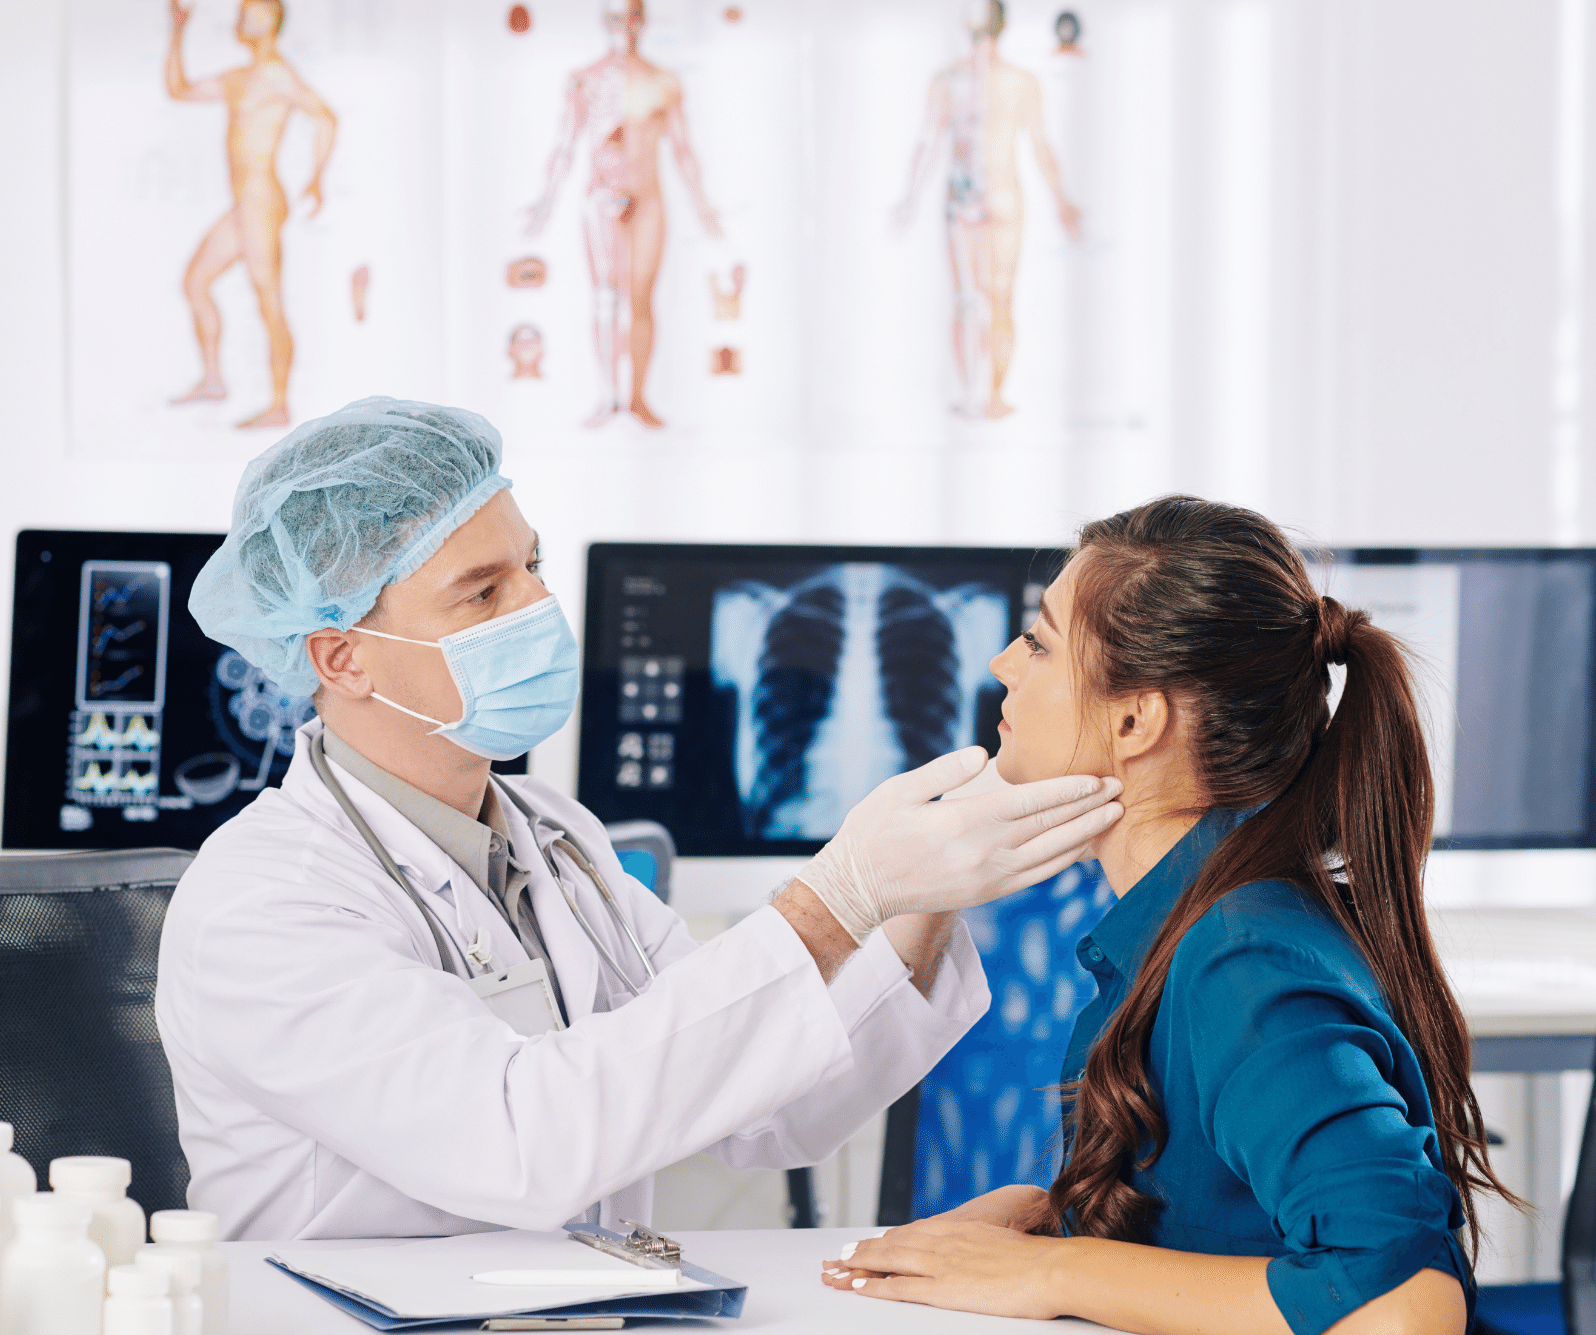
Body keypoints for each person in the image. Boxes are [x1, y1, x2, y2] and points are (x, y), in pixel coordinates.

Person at [155, 396, 1123, 1240]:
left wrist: (924, 889)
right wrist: (836, 895)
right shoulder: (264, 903)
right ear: (340, 659)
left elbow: (766, 1106)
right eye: (481, 591)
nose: (538, 603)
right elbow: (522, 1146)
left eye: (528, 565)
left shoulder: (552, 835)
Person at [821, 497, 1516, 1335]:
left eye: (1040, 642)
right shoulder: (1192, 924)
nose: (1005, 662)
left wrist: (1052, 1268)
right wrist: (1060, 1213)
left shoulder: (1243, 962)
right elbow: (1227, 1219)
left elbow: (1407, 1309)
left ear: (1135, 718)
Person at [525, 0, 722, 429]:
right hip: (601, 199)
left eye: (632, 17)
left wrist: (705, 208)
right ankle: (608, 397)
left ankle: (637, 398)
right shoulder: (585, 80)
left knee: (641, 299)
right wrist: (545, 201)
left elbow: (683, 148)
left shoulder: (663, 81)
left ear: (643, 22)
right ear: (604, 22)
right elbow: (565, 143)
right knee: (604, 297)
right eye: (616, 17)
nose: (624, 27)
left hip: (648, 198)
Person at [894, 0, 1080, 420]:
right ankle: (985, 394)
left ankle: (978, 393)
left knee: (977, 300)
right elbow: (1040, 147)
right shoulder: (1002, 80)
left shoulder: (963, 80)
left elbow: (928, 143)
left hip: (982, 196)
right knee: (987, 300)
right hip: (989, 196)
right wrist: (1061, 201)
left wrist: (910, 198)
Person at [165, 0, 336, 428]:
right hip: (243, 204)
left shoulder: (278, 74)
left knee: (268, 301)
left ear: (272, 20)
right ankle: (213, 380)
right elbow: (179, 90)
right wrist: (178, 31)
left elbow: (326, 117)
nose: (242, 17)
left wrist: (317, 179)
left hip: (262, 200)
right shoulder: (239, 77)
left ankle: (279, 405)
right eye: (242, 10)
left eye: (252, 10)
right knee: (195, 281)